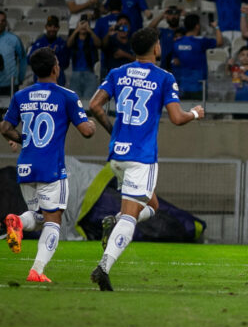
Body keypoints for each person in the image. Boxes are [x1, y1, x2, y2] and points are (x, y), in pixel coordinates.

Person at [88, 27, 205, 291]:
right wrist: (196, 113)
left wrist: (113, 131)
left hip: (118, 155)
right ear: (156, 48)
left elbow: (94, 105)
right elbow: (177, 118)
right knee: (132, 214)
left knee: (151, 204)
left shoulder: (118, 73)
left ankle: (116, 222)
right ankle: (104, 266)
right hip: (141, 157)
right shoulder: (164, 77)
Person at [1, 47, 95, 281]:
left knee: (39, 216)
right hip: (51, 169)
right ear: (55, 68)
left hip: (25, 168)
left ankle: (18, 221)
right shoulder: (67, 95)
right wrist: (91, 124)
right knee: (54, 222)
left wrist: (25, 140)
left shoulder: (21, 96)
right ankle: (37, 271)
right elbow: (86, 132)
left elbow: (4, 128)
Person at [171, 14, 223, 99]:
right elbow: (220, 42)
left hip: (182, 85)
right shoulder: (200, 42)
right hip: (198, 86)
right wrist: (216, 27)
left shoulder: (177, 43)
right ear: (197, 26)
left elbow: (175, 62)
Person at [28, 16, 70, 87]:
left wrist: (54, 54)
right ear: (46, 27)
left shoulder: (62, 43)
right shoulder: (39, 43)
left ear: (58, 28)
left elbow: (66, 64)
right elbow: (29, 60)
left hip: (58, 81)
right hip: (40, 81)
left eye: (55, 26)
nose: (52, 29)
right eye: (50, 26)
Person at [66, 17, 101, 98]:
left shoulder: (91, 39)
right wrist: (76, 30)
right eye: (81, 24)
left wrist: (90, 31)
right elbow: (68, 44)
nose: (83, 26)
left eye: (85, 24)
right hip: (75, 73)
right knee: (75, 101)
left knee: (88, 101)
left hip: (90, 74)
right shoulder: (74, 39)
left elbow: (99, 44)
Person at [0, 11, 26, 96]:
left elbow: (23, 59)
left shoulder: (14, 39)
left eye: (3, 21)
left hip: (10, 85)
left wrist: (20, 78)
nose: (0, 23)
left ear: (6, 22)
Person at [101, 13, 134, 78]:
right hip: (113, 77)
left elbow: (139, 60)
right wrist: (108, 34)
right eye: (120, 25)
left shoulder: (133, 42)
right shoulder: (111, 40)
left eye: (125, 24)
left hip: (129, 77)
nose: (123, 27)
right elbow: (103, 45)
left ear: (129, 27)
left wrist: (125, 54)